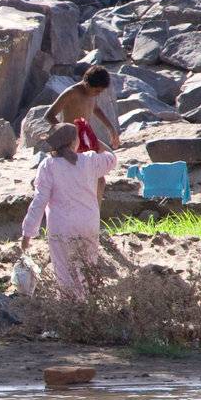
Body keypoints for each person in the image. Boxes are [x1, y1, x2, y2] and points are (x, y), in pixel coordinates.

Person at [21, 122, 120, 299]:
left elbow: (39, 201)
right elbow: (111, 158)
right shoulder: (89, 160)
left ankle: (69, 310)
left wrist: (28, 233)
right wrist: (93, 138)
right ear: (75, 141)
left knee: (64, 272)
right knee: (87, 269)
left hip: (62, 227)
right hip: (88, 224)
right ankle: (86, 309)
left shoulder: (48, 166)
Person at [46, 66, 121, 202]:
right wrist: (64, 133)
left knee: (110, 159)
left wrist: (111, 128)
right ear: (87, 83)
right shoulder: (72, 92)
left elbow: (96, 109)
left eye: (101, 91)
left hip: (86, 136)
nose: (98, 94)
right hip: (71, 140)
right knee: (98, 179)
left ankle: (94, 212)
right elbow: (49, 115)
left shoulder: (92, 94)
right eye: (97, 90)